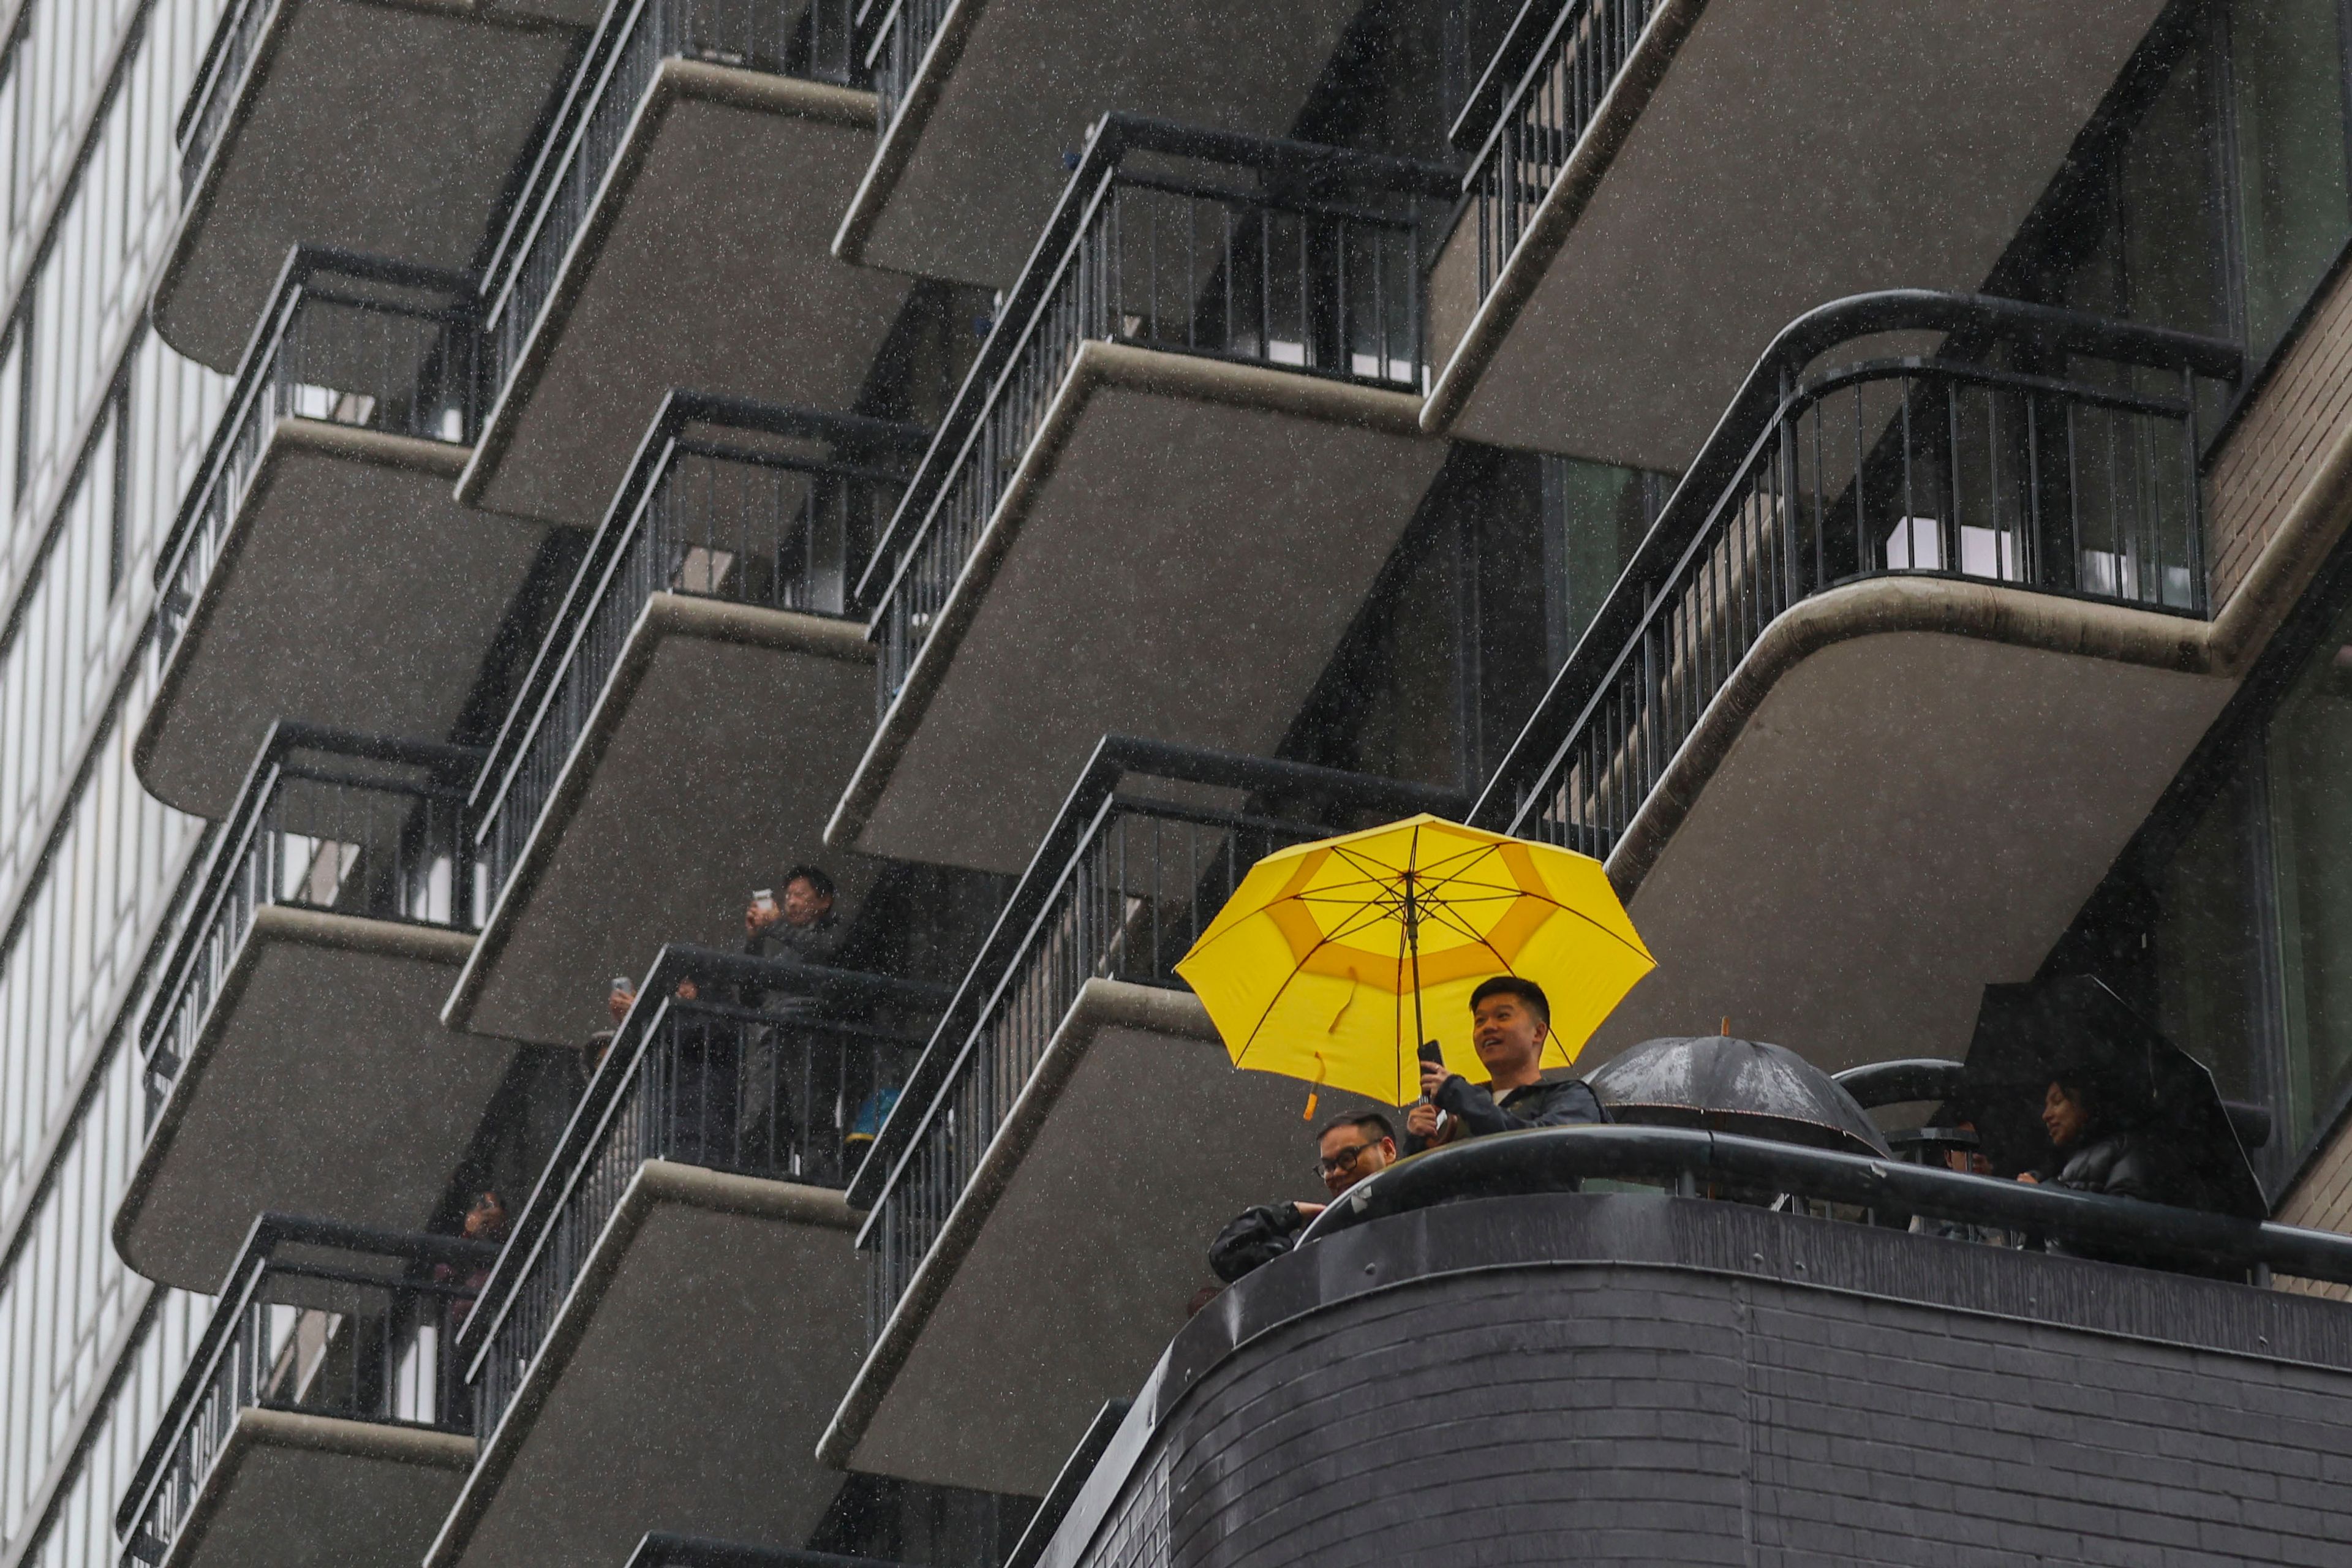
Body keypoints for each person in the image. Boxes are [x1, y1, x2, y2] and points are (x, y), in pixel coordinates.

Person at [1406, 976, 1606, 1153]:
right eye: (1480, 1020)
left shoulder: (1571, 1097)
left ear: (1538, 1032)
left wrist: (1459, 1093)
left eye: (1503, 1016)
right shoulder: (1456, 1116)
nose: (1488, 1027)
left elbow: (1546, 1149)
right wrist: (1418, 1142)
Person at [1208, 1110, 1399, 1283]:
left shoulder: (1419, 1203)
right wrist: (1291, 1212)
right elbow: (1227, 1253)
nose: (1337, 1173)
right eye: (1329, 1167)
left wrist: (1422, 1144)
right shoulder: (1319, 1239)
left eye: (1348, 1158)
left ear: (1388, 1151)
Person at [2016, 1077, 2162, 1200]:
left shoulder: (2124, 1147)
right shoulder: (2053, 1164)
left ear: (2086, 1107)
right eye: (2046, 1106)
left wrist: (2043, 1198)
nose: (2046, 1115)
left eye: (2057, 1102)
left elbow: (2125, 1221)